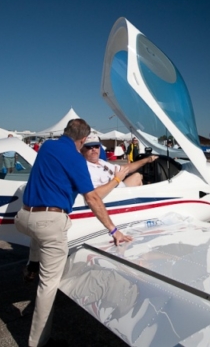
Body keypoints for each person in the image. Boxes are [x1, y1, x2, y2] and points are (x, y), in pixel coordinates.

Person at [14, 119, 131, 347]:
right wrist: (113, 230)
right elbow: (93, 198)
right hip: (48, 221)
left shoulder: (47, 147)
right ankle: (38, 343)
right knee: (48, 286)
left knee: (40, 234)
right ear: (84, 139)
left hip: (23, 216)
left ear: (65, 132)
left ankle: (32, 264)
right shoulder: (78, 161)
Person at [80, 133, 158, 198]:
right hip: (115, 199)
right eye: (89, 147)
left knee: (138, 176)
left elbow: (125, 168)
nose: (94, 149)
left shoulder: (101, 162)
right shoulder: (85, 168)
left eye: (96, 146)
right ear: (82, 150)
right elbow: (94, 195)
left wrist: (147, 160)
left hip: (121, 189)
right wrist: (117, 179)